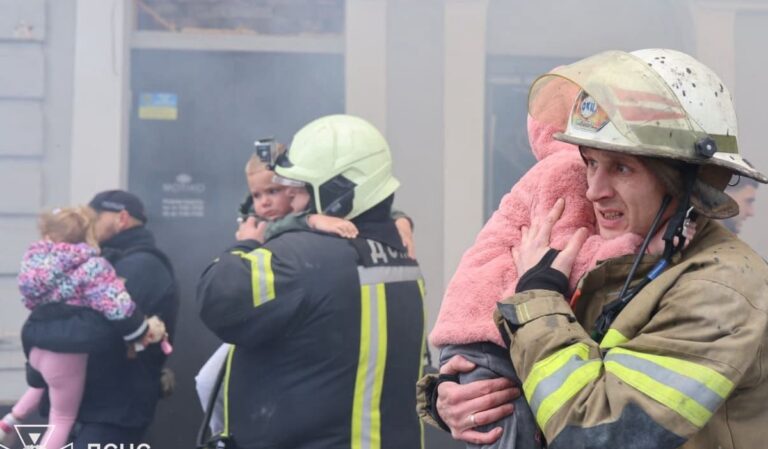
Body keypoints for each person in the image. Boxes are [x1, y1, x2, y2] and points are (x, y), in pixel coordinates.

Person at [425, 49, 768, 449]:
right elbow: (551, 372)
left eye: (621, 168)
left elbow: (597, 435)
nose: (593, 190)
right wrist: (455, 398)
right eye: (590, 163)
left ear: (684, 178)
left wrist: (535, 299)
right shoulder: (621, 261)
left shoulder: (721, 288)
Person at [198, 114, 426, 449]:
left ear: (337, 192)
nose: (290, 203)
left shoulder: (302, 259)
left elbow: (218, 296)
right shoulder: (400, 253)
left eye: (300, 192)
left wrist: (245, 244)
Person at [0, 206, 166, 449]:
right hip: (67, 353)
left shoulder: (36, 263)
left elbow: (29, 298)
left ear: (49, 235)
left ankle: (9, 421)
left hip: (36, 348)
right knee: (62, 418)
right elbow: (116, 305)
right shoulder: (93, 267)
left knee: (42, 384)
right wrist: (140, 331)